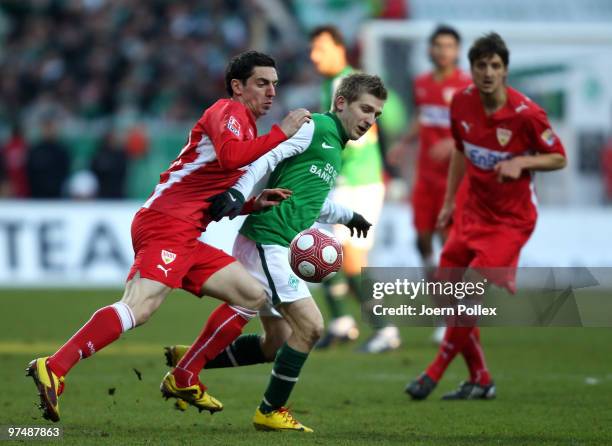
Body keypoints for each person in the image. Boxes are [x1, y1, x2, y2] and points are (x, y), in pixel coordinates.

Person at [26, 50, 311, 423]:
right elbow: (229, 158)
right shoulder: (227, 111)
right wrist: (282, 133)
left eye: (274, 84)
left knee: (251, 296)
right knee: (140, 306)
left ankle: (185, 374)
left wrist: (250, 204)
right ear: (238, 87)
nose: (272, 92)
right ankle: (55, 366)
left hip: (187, 230)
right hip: (167, 222)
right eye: (262, 83)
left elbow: (209, 192)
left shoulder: (245, 125)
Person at [164, 73, 387, 432]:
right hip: (269, 240)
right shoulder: (314, 127)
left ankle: (188, 360)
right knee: (312, 327)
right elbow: (264, 160)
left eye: (375, 114)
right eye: (365, 109)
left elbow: (311, 201)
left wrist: (349, 216)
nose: (369, 120)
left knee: (277, 342)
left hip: (274, 242)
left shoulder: (337, 147)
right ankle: (269, 411)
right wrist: (238, 193)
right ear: (341, 103)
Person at [405, 33, 566, 400]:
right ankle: (481, 377)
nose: (488, 72)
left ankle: (433, 373)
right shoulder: (461, 103)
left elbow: (559, 157)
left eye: (495, 66)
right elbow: (461, 153)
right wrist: (449, 202)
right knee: (448, 290)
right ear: (473, 69)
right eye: (482, 66)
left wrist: (523, 160)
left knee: (468, 293)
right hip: (473, 211)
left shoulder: (528, 114)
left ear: (505, 70)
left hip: (511, 221)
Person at [309, 25, 399, 353]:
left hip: (358, 184)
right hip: (339, 183)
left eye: (321, 48)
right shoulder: (332, 86)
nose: (314, 56)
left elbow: (365, 134)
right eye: (313, 49)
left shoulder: (348, 85)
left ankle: (385, 329)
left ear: (339, 48)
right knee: (318, 249)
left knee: (350, 263)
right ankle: (341, 323)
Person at [388, 25, 472, 344]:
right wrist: (403, 143)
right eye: (438, 45)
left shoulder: (466, 86)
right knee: (421, 243)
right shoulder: (422, 83)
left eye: (448, 45)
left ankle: (451, 314)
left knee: (446, 242)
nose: (442, 50)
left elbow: (475, 126)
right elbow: (422, 117)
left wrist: (454, 143)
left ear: (457, 50)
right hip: (425, 178)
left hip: (453, 179)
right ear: (430, 49)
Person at [26, 117, 71, 198]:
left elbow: (65, 172)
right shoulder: (35, 150)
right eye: (46, 128)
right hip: (37, 195)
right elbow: (29, 172)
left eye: (51, 128)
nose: (49, 131)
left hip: (57, 195)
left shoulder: (62, 150)